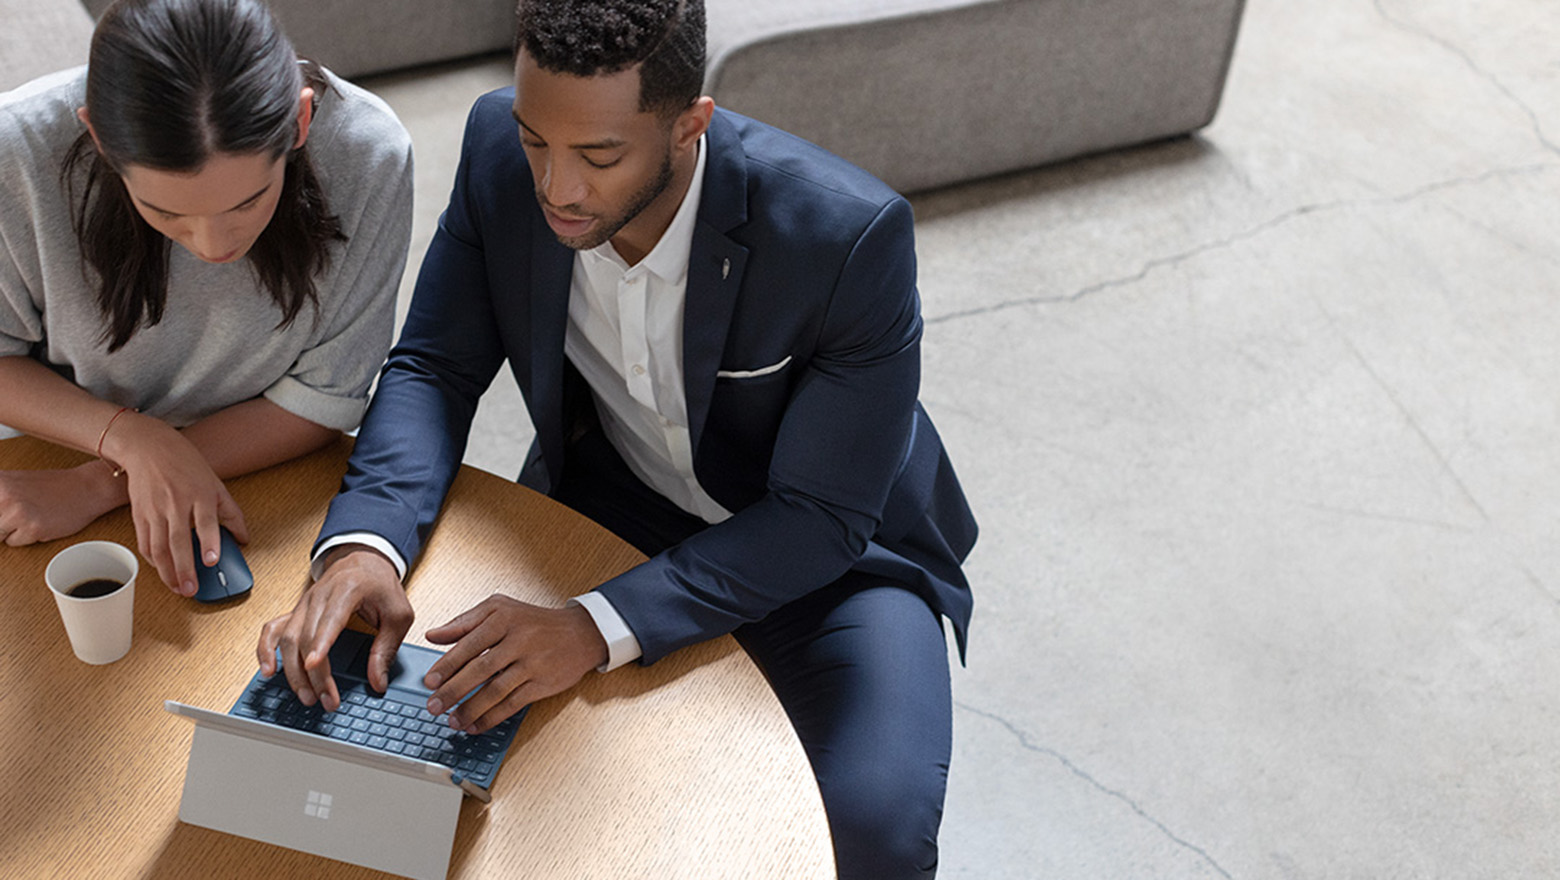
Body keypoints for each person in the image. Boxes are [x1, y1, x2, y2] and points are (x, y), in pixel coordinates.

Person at [257, 0, 975, 876]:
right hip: (611, 506)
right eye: (536, 142)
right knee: (486, 777)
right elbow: (437, 367)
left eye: (599, 156)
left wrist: (598, 626)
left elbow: (822, 515)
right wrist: (365, 543)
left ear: (689, 126)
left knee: (875, 825)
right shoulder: (495, 152)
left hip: (832, 561)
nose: (557, 187)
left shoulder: (847, 238)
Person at [0, 0, 412, 596]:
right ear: (98, 139)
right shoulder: (15, 152)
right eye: (167, 212)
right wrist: (130, 439)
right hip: (60, 440)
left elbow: (323, 399)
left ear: (300, 123)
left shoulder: (369, 153)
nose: (214, 245)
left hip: (259, 466)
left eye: (248, 201)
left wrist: (103, 484)